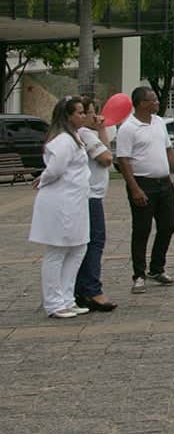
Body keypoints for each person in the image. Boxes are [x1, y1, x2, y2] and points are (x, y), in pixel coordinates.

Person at [29, 97, 91, 319]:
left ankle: (67, 298)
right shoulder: (63, 141)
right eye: (80, 112)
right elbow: (55, 169)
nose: (83, 116)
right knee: (58, 250)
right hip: (61, 202)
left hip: (75, 200)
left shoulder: (75, 137)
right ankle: (54, 303)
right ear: (67, 116)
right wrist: (43, 178)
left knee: (78, 248)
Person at [117, 86, 174, 294]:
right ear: (141, 103)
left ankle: (157, 268)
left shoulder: (158, 122)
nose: (157, 102)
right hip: (142, 183)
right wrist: (134, 188)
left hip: (163, 183)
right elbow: (124, 160)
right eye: (153, 100)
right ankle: (139, 274)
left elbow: (168, 149)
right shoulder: (128, 128)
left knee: (167, 226)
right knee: (142, 230)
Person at [74, 98, 117, 312]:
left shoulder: (88, 134)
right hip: (90, 196)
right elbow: (107, 158)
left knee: (88, 243)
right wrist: (101, 130)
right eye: (87, 112)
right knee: (94, 242)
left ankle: (82, 288)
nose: (92, 116)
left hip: (92, 195)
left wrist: (102, 130)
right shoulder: (85, 134)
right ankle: (91, 289)